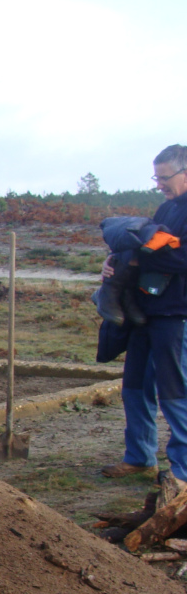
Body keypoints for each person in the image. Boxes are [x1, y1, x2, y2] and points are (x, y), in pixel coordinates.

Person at [100, 144, 187, 480]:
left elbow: (181, 259)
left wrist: (138, 259)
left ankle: (181, 474)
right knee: (134, 386)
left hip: (176, 315)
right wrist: (114, 264)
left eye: (164, 178)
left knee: (175, 391)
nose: (159, 185)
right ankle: (139, 456)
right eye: (156, 177)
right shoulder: (166, 210)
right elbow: (139, 244)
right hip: (144, 312)